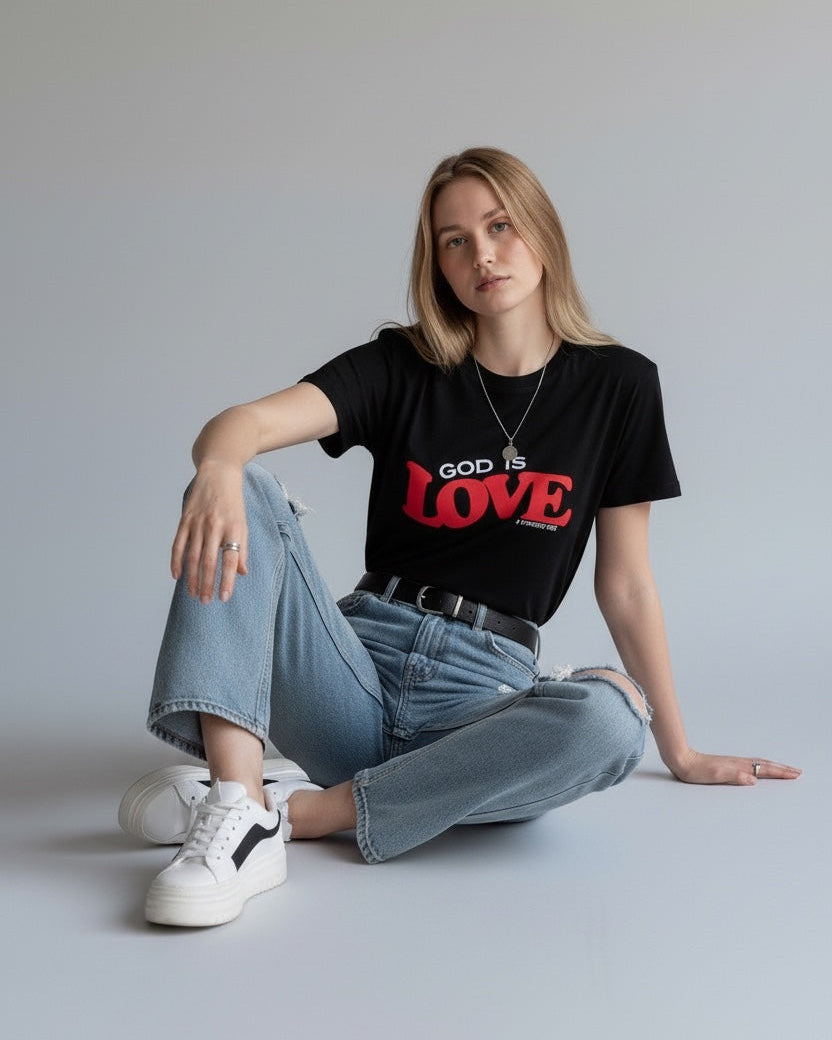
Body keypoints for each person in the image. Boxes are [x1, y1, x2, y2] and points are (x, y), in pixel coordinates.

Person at [120, 147, 801, 928]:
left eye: (500, 226)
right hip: (353, 668)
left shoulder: (620, 387)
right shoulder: (404, 365)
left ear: (541, 233)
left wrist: (679, 751)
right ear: (437, 265)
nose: (482, 254)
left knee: (615, 717)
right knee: (243, 483)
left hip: (480, 705)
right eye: (454, 240)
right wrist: (216, 462)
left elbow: (628, 583)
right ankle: (240, 807)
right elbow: (243, 425)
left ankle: (297, 813)